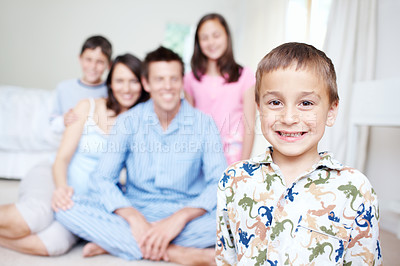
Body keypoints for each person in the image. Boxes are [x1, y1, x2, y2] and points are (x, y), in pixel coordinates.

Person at [55, 46, 227, 265]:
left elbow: (219, 183)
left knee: (237, 218)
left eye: (173, 79)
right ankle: (178, 253)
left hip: (187, 212)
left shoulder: (204, 124)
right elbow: (102, 178)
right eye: (159, 79)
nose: (167, 87)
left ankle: (118, 242)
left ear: (182, 82)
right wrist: (134, 217)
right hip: (136, 210)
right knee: (66, 209)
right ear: (146, 83)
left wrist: (179, 218)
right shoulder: (128, 122)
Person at [216, 42, 381, 265]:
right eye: (275, 102)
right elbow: (226, 257)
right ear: (259, 108)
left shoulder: (356, 189)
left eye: (306, 103)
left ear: (331, 111)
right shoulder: (233, 181)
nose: (289, 118)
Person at [0, 53, 149, 256]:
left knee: (53, 245)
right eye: (120, 80)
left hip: (85, 200)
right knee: (32, 219)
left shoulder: (143, 122)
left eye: (133, 81)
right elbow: (62, 158)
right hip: (55, 177)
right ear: (111, 83)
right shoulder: (87, 107)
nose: (126, 88)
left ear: (143, 84)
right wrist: (61, 189)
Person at [184, 13, 256, 165]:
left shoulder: (245, 76)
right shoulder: (190, 79)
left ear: (226, 36)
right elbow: (188, 123)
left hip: (234, 157)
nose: (211, 42)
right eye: (204, 38)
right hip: (201, 157)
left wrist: (243, 165)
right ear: (198, 42)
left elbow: (249, 125)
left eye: (216, 35)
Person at [50, 35, 112, 133]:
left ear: (109, 65)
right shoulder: (64, 88)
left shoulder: (112, 90)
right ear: (80, 58)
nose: (93, 66)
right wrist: (63, 120)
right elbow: (52, 124)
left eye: (100, 62)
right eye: (88, 59)